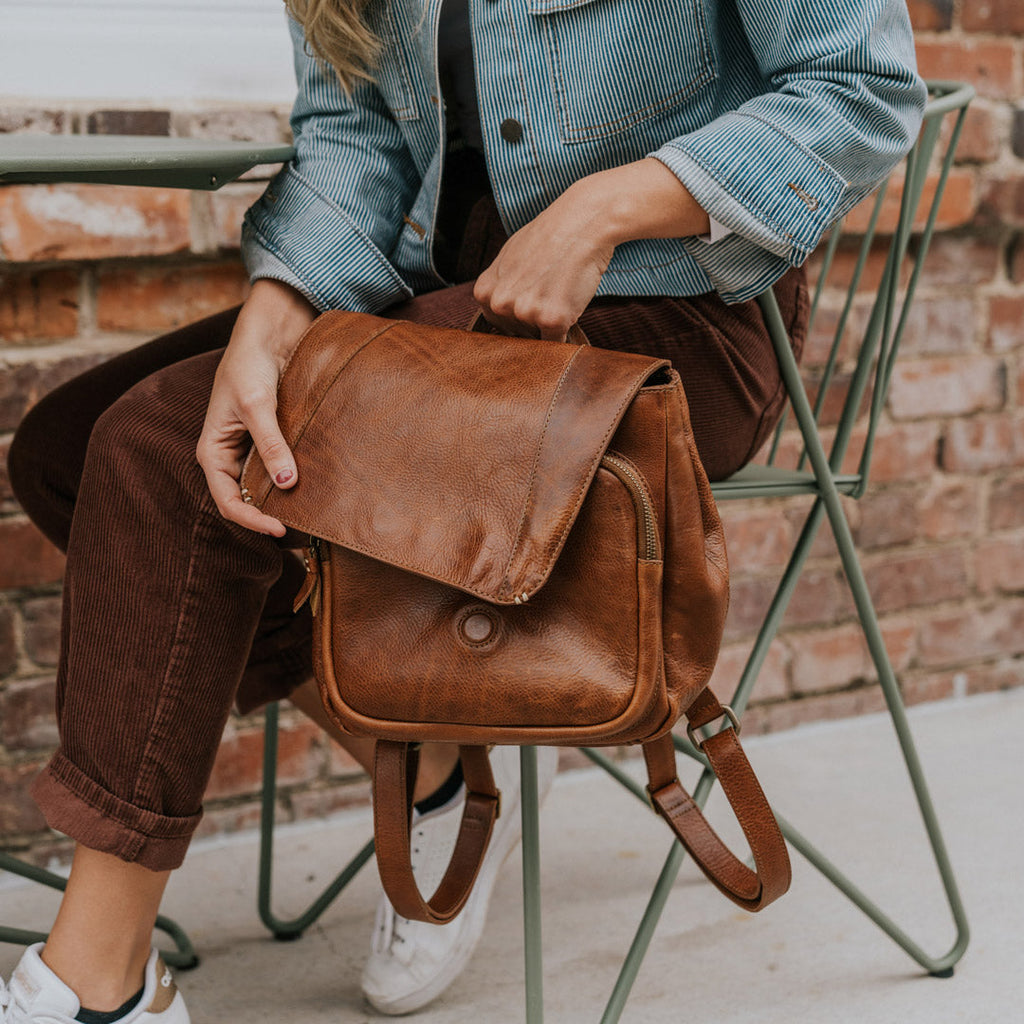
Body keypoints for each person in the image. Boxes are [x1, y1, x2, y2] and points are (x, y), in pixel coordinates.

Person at [1, 0, 926, 1020]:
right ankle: (433, 769)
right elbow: (354, 138)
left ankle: (96, 986)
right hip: (444, 301)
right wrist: (279, 307)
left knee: (167, 458)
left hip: (675, 313)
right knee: (69, 453)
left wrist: (600, 209)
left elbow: (861, 87)